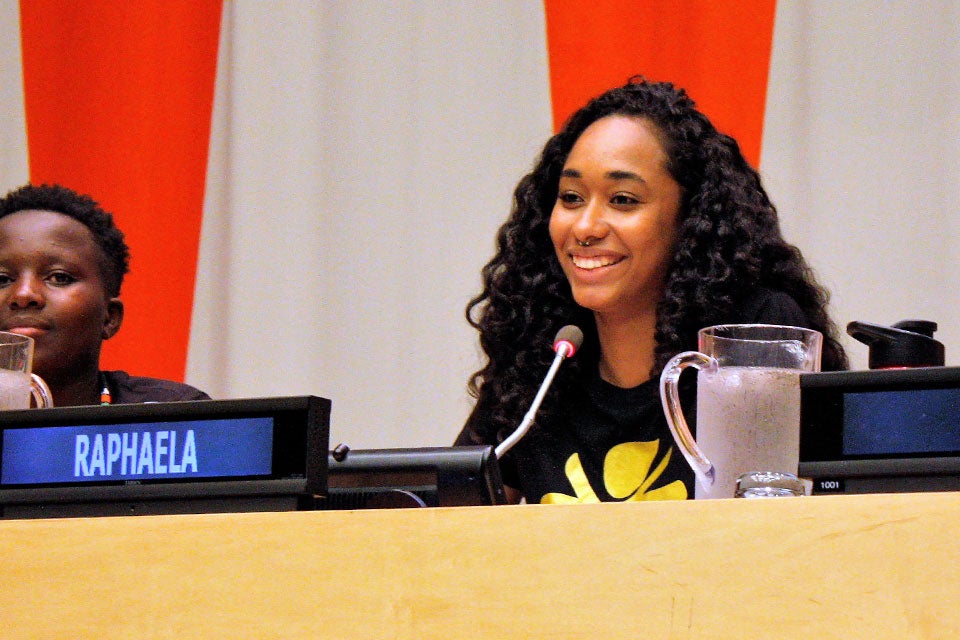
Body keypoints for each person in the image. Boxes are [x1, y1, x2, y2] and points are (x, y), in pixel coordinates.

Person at [455, 77, 847, 504]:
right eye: (570, 197)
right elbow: (444, 521)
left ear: (689, 220)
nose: (585, 227)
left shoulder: (748, 340)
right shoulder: (540, 358)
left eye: (623, 200)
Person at [0, 183, 210, 406]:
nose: (23, 294)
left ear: (110, 317)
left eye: (59, 277)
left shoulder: (174, 414)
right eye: (2, 279)